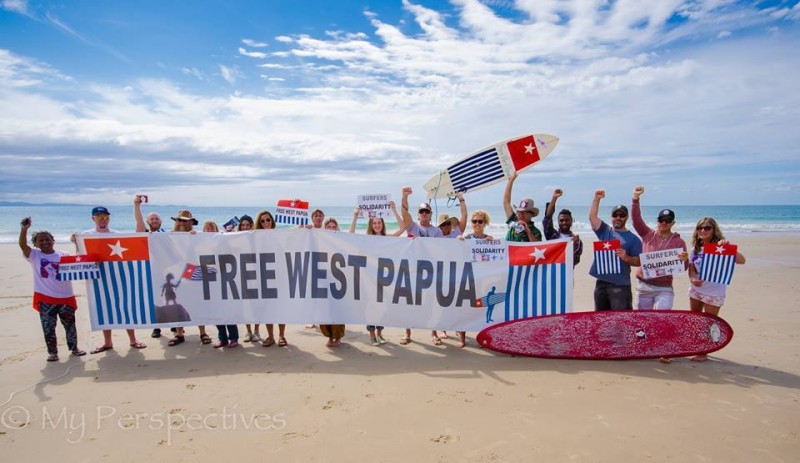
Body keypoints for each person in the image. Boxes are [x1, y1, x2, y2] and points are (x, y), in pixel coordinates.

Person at [71, 202, 146, 353]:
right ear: (93, 219)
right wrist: (76, 242)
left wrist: (137, 207)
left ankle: (133, 339)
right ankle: (108, 342)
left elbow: (139, 235)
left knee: (125, 306)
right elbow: (80, 257)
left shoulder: (117, 235)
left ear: (109, 219)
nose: (102, 220)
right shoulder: (86, 236)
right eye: (99, 217)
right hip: (98, 279)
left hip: (118, 278)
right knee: (104, 308)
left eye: (105, 217)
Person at [20, 217, 86, 361]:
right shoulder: (34, 255)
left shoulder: (63, 255)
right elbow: (23, 245)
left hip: (66, 297)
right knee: (48, 327)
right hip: (45, 298)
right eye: (41, 240)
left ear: (53, 240)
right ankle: (53, 352)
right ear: (36, 244)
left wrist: (77, 242)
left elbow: (78, 262)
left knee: (70, 325)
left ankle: (74, 348)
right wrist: (24, 229)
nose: (45, 242)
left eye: (47, 239)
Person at [687, 217, 746, 362]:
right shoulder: (695, 249)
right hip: (696, 290)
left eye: (707, 228)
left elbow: (742, 260)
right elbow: (691, 269)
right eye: (700, 228)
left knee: (710, 322)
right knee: (695, 319)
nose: (703, 230)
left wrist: (729, 247)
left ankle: (704, 351)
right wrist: (693, 279)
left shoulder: (722, 248)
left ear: (714, 230)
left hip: (714, 292)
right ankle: (696, 347)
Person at [400, 186, 446, 346]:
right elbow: (404, 213)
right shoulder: (412, 226)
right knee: (409, 303)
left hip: (430, 271)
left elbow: (443, 251)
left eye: (427, 211)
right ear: (418, 214)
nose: (424, 214)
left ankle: (433, 333)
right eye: (421, 211)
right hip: (412, 270)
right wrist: (404, 197)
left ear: (431, 214)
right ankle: (407, 333)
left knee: (430, 303)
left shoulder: (437, 232)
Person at [631, 186, 688, 310]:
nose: (664, 223)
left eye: (667, 221)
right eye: (661, 220)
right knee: (642, 321)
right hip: (643, 286)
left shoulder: (679, 242)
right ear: (657, 221)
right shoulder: (647, 234)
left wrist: (685, 260)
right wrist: (635, 199)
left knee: (661, 321)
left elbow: (682, 267)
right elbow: (636, 220)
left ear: (673, 223)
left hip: (664, 288)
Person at [349, 208, 397, 346]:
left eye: (379, 222)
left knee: (383, 307)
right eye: (374, 223)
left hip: (383, 278)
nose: (377, 225)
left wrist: (393, 210)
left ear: (382, 224)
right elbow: (351, 234)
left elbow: (402, 228)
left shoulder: (386, 239)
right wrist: (355, 217)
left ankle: (380, 333)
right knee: (371, 307)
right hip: (369, 279)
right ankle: (371, 335)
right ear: (371, 225)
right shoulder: (366, 239)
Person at [588, 189, 642, 311]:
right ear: (611, 217)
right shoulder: (604, 230)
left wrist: (627, 258)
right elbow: (592, 217)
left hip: (621, 285)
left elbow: (639, 261)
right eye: (615, 215)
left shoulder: (633, 239)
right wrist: (596, 199)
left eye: (622, 215)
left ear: (626, 217)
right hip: (601, 283)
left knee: (621, 321)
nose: (618, 218)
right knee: (601, 320)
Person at [167, 210, 212, 347]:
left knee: (197, 303)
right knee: (178, 304)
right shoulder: (169, 236)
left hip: (193, 273)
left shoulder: (196, 235)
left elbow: (208, 247)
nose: (181, 223)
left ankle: (203, 332)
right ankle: (179, 333)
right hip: (177, 274)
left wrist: (195, 238)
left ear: (191, 222)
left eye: (185, 220)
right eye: (179, 220)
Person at [134, 196, 169, 338]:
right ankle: (157, 327)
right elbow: (139, 222)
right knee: (156, 300)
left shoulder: (167, 234)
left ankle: (174, 325)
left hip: (166, 272)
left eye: (157, 219)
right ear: (148, 222)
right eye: (152, 219)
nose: (154, 221)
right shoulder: (145, 234)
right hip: (151, 272)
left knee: (171, 298)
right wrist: (136, 205)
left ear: (161, 222)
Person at [254, 209, 287, 347]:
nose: (266, 223)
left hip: (278, 275)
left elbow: (295, 235)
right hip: (263, 277)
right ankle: (271, 336)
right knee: (267, 308)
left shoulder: (279, 234)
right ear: (259, 223)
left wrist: (305, 227)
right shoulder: (255, 236)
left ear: (272, 221)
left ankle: (281, 336)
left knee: (280, 308)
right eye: (262, 221)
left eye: (268, 220)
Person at [318, 217, 346, 347]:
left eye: (333, 227)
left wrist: (356, 217)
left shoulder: (341, 240)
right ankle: (329, 336)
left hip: (338, 280)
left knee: (337, 309)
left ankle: (338, 337)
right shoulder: (319, 240)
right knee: (324, 310)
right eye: (328, 227)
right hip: (323, 278)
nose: (331, 229)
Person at [542, 188, 583, 266]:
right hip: (551, 273)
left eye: (567, 220)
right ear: (557, 221)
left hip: (567, 276)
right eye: (561, 220)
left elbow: (575, 261)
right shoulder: (552, 235)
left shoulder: (577, 241)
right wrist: (554, 198)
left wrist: (572, 244)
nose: (564, 222)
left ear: (572, 221)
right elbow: (547, 217)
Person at [502, 173, 542, 242]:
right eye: (519, 212)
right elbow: (506, 202)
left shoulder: (535, 231)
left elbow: (536, 246)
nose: (520, 215)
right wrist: (510, 181)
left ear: (531, 214)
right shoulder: (514, 221)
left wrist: (527, 230)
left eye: (524, 212)